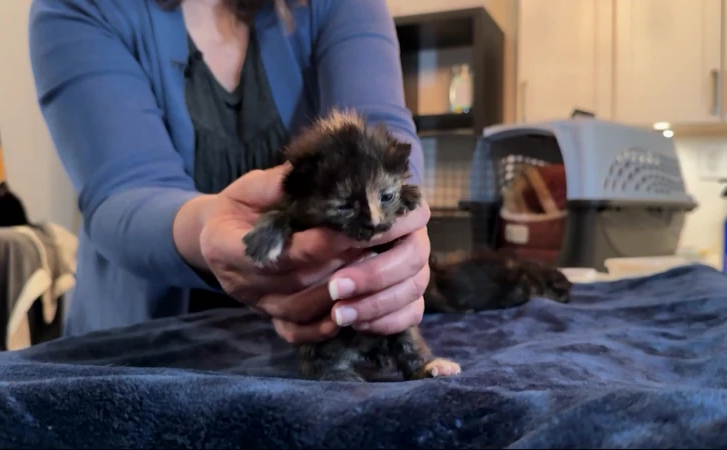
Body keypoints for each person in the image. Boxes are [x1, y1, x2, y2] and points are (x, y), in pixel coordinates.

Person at [27, 0, 431, 345]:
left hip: (310, 344)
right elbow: (122, 192)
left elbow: (383, 134)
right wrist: (209, 229)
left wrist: (399, 227)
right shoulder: (78, 8)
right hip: (142, 349)